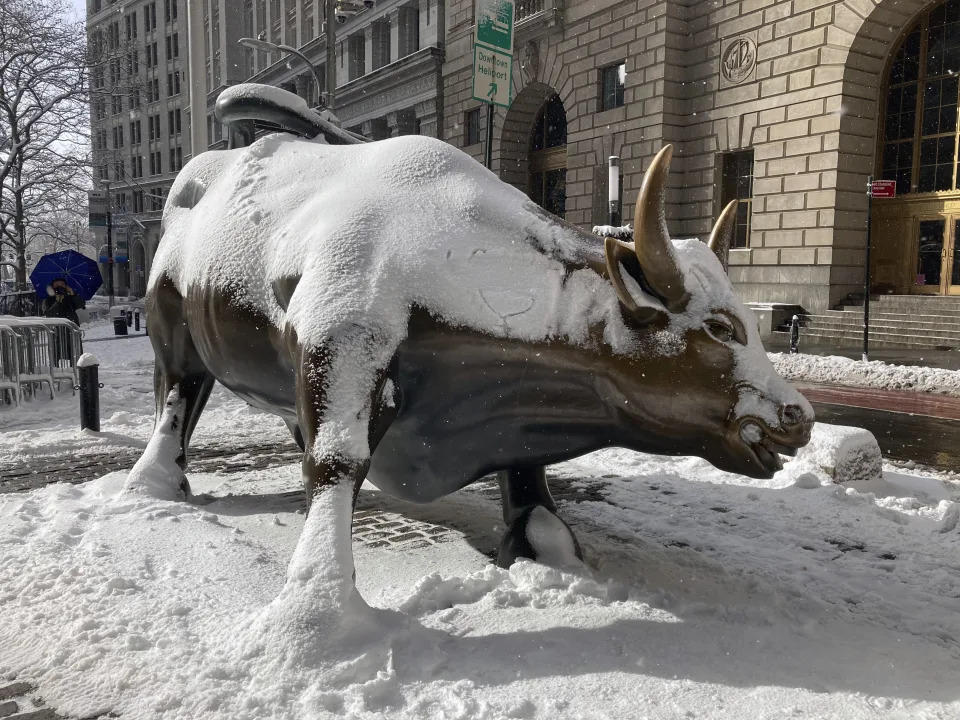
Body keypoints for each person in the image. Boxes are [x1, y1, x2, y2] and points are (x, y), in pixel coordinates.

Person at [41, 278, 85, 365]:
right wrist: (57, 302)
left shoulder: (70, 297)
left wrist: (72, 294)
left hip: (72, 329)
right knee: (56, 353)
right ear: (52, 287)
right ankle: (55, 371)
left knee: (75, 351)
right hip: (56, 331)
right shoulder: (48, 299)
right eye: (57, 285)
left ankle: (76, 370)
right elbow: (49, 313)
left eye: (62, 285)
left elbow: (81, 304)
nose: (59, 287)